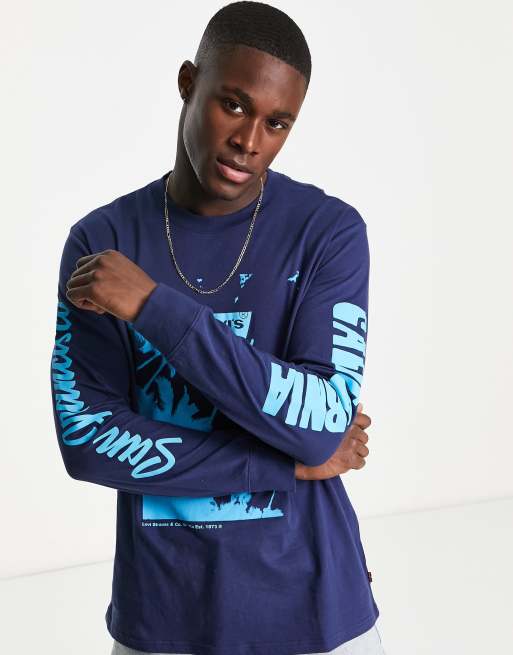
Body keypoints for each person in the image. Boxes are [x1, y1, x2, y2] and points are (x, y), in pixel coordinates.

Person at [50, 2, 385, 654]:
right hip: (163, 618)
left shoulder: (327, 233)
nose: (249, 140)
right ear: (188, 82)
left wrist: (153, 306)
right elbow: (88, 441)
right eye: (233, 105)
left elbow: (320, 425)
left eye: (276, 123)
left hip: (317, 613)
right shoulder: (102, 242)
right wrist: (283, 465)